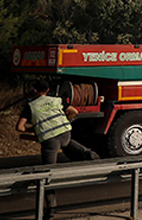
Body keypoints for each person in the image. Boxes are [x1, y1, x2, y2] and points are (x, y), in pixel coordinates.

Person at [16, 79, 99, 219]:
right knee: (68, 144)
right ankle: (91, 155)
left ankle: (51, 208)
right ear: (48, 90)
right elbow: (74, 111)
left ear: (34, 90)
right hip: (65, 134)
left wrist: (32, 130)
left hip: (50, 141)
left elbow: (19, 127)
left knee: (47, 174)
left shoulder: (30, 106)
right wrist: (66, 120)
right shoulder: (56, 100)